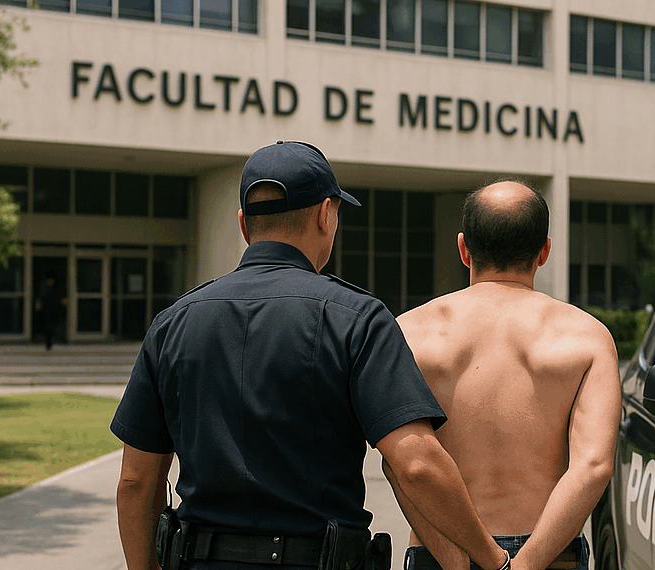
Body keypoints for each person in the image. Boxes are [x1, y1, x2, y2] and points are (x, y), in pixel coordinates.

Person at [110, 141, 512, 570]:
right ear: (325, 214)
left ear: (244, 224)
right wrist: (493, 560)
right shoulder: (356, 319)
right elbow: (415, 464)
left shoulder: (174, 322)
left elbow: (136, 481)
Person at [387, 180, 622, 570]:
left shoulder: (408, 333)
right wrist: (526, 564)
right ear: (544, 250)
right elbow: (593, 466)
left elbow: (401, 462)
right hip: (551, 554)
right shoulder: (588, 337)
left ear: (464, 249)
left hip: (442, 551)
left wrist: (456, 561)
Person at [36, 273, 62, 350]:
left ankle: (50, 342)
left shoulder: (54, 290)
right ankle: (48, 343)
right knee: (47, 327)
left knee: (51, 327)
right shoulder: (44, 289)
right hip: (46, 311)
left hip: (52, 311)